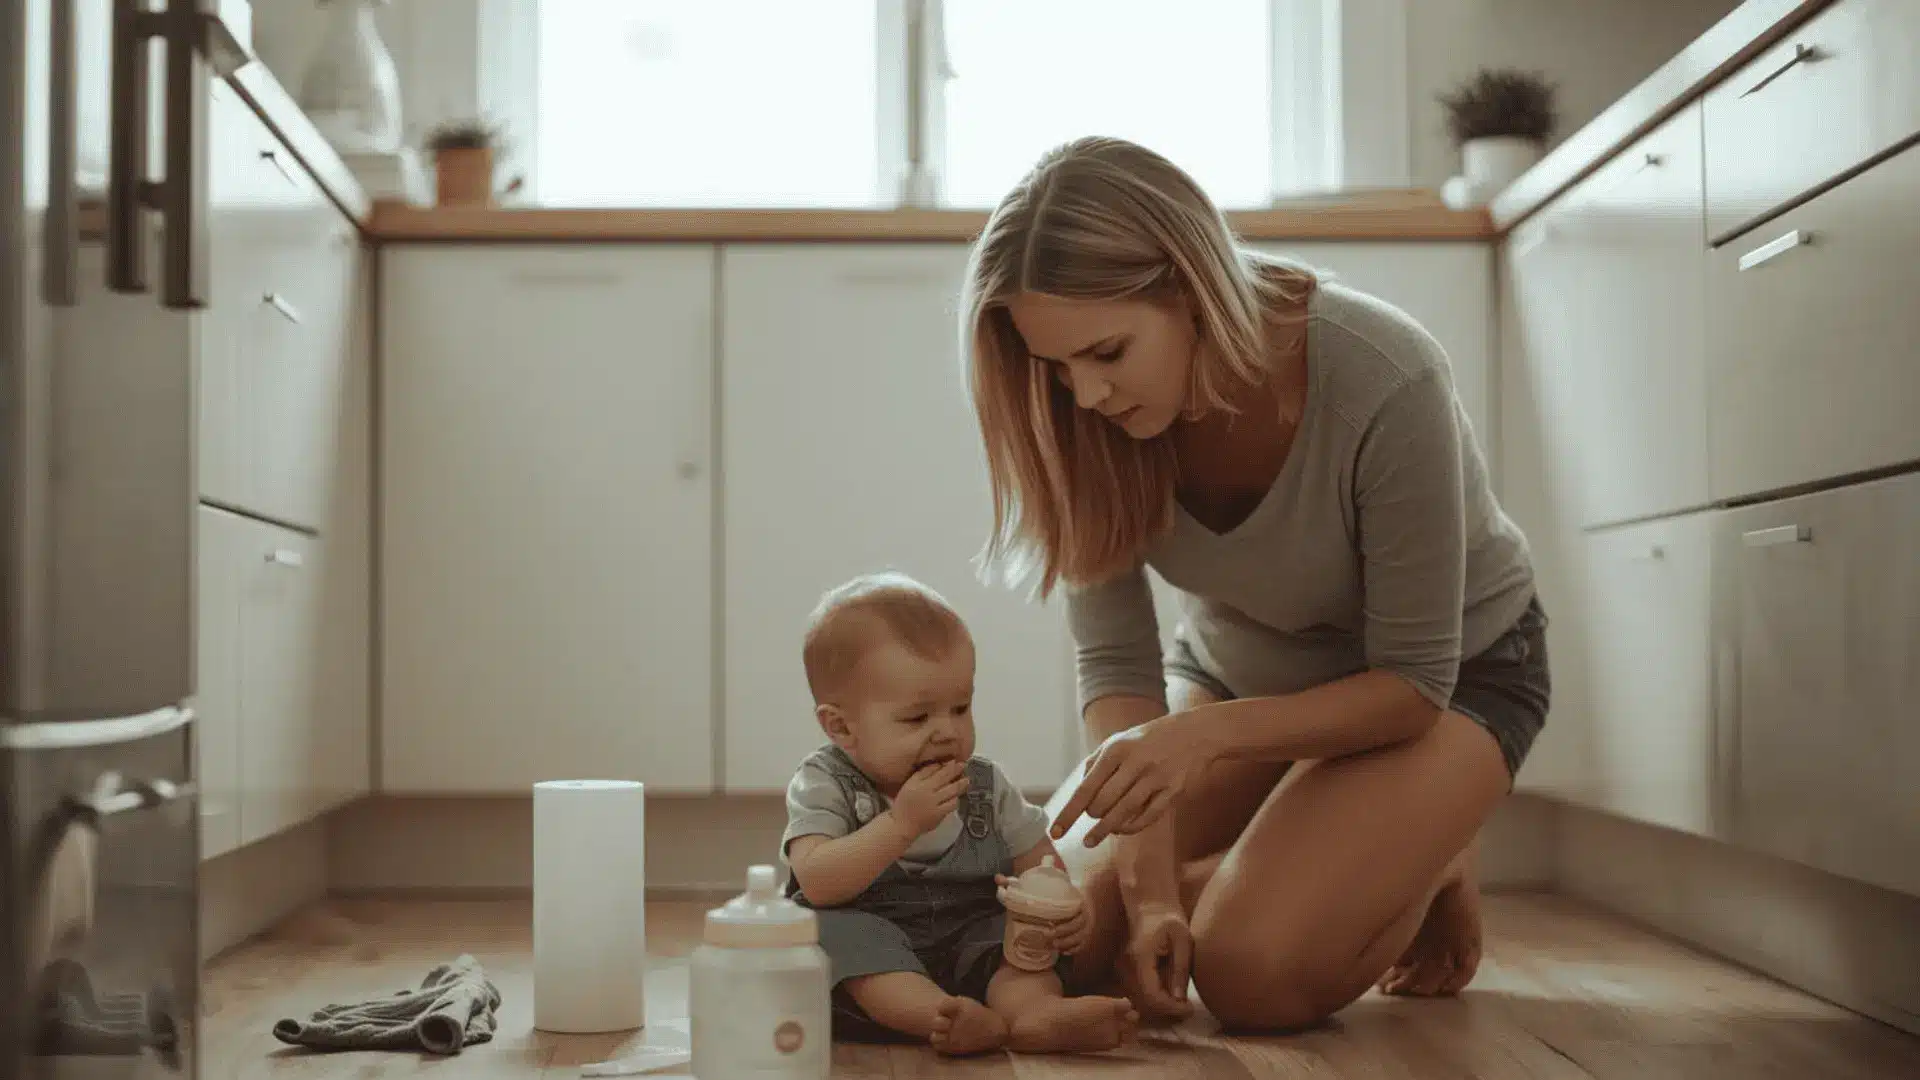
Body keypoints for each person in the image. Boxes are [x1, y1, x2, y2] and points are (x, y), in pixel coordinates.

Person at [957, 136, 1551, 1032]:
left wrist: (1201, 740)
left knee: (1249, 976)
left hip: (1448, 684)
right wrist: (1151, 894)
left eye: (1108, 352)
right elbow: (1119, 666)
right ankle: (1297, 856)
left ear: (1189, 286)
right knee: (1054, 946)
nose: (1085, 397)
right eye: (1057, 367)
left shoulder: (1383, 373)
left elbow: (1411, 683)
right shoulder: (1082, 419)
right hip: (1243, 678)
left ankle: (1427, 852)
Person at [778, 571, 1142, 1055]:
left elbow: (1040, 861)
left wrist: (1065, 905)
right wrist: (901, 824)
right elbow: (818, 880)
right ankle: (942, 1018)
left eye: (960, 707)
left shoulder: (986, 786)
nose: (946, 732)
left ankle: (1032, 1015)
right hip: (873, 939)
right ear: (841, 727)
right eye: (916, 718)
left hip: (972, 937)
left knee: (1014, 946)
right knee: (836, 937)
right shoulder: (825, 783)